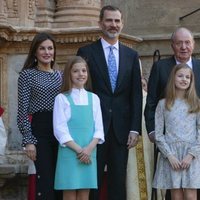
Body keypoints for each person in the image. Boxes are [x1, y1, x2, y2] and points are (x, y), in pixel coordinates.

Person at [77, 5, 143, 200]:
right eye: (109, 20)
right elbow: (82, 91)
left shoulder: (131, 56)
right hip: (93, 129)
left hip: (122, 130)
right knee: (92, 180)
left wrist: (134, 128)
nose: (113, 25)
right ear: (100, 23)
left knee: (118, 180)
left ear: (122, 24)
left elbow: (136, 95)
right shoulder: (86, 52)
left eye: (117, 21)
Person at [144, 27, 200, 199]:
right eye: (179, 43)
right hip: (169, 144)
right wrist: (153, 132)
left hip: (195, 145)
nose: (183, 46)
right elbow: (151, 101)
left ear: (193, 44)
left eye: (187, 42)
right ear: (172, 45)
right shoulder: (160, 67)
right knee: (174, 192)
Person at [17, 32, 62, 200]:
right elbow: (22, 111)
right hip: (40, 131)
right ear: (35, 52)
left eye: (50, 48)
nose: (46, 52)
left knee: (60, 181)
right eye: (42, 48)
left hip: (60, 131)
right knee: (45, 182)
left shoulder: (60, 76)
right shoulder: (27, 75)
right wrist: (29, 140)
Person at [53, 56, 104, 200]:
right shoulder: (61, 99)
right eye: (76, 71)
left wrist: (88, 149)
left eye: (84, 70)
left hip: (89, 151)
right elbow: (60, 129)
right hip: (70, 153)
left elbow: (99, 129)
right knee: (69, 193)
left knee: (84, 193)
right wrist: (79, 150)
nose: (81, 74)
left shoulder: (94, 98)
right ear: (69, 74)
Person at [153, 63, 200, 200]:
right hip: (172, 155)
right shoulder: (163, 104)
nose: (184, 79)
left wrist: (191, 154)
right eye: (180, 76)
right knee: (176, 196)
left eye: (188, 77)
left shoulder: (196, 104)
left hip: (191, 155)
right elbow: (159, 134)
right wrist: (169, 155)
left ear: (191, 81)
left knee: (191, 196)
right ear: (173, 78)